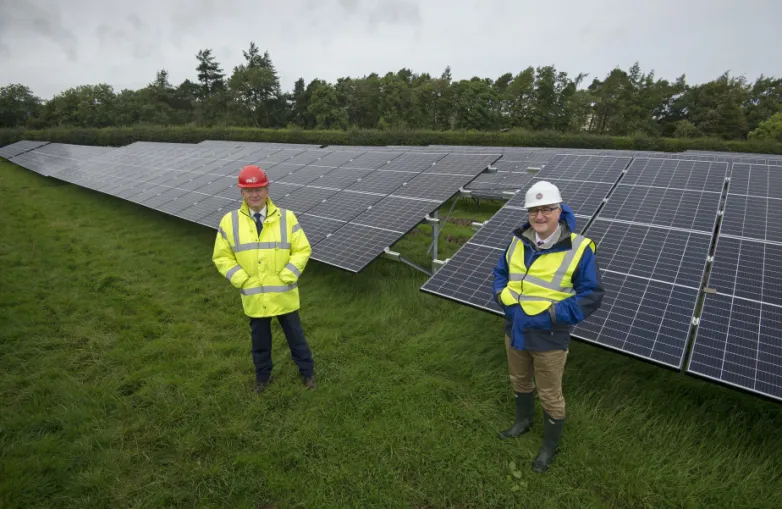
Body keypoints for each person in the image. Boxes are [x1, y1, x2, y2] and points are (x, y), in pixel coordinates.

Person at [492, 180, 604, 473]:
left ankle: (549, 446)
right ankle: (523, 422)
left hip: (550, 336)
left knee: (550, 394)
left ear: (559, 210)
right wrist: (505, 301)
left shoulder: (579, 248)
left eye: (546, 209)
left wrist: (550, 315)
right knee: (519, 380)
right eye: (533, 211)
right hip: (515, 328)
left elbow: (590, 295)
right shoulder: (518, 240)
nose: (539, 216)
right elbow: (500, 273)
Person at [212, 165, 316, 393]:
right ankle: (262, 377)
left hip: (284, 295)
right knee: (260, 344)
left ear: (267, 190)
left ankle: (307, 373)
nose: (254, 194)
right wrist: (241, 279)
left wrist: (288, 274)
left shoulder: (287, 218)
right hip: (254, 297)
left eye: (259, 188)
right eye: (249, 190)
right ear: (241, 193)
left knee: (296, 338)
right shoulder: (229, 222)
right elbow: (222, 257)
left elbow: (302, 249)